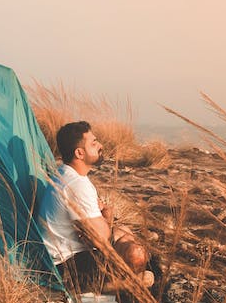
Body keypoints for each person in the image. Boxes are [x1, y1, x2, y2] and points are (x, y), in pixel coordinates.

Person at [40, 121, 153, 292]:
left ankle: (120, 280)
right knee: (137, 255)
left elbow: (96, 233)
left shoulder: (67, 173)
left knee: (124, 232)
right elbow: (101, 239)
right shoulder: (77, 183)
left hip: (66, 256)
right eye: (93, 143)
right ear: (79, 153)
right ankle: (120, 285)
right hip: (67, 266)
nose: (100, 145)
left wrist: (103, 221)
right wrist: (106, 215)